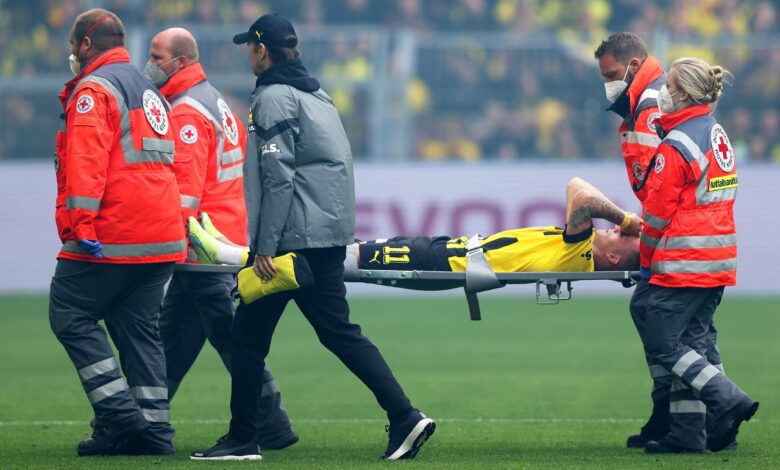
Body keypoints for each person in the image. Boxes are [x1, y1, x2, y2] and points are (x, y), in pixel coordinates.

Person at [191, 14, 435, 461]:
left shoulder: (273, 97)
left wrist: (265, 247)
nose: (248, 55)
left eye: (250, 47)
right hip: (326, 238)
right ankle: (404, 415)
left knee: (246, 339)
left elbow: (278, 177)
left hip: (290, 244)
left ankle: (243, 438)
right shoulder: (318, 95)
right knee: (340, 333)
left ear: (261, 51)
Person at [144, 28, 298, 450]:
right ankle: (145, 419)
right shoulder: (213, 100)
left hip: (202, 244)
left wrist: (171, 243)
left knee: (232, 336)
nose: (149, 64)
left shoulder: (186, 112)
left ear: (180, 61)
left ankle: (272, 421)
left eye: (156, 56)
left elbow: (186, 193)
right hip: (220, 234)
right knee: (176, 335)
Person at [48, 8, 186, 456]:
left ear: (86, 44)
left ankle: (121, 417)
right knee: (138, 330)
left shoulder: (94, 90)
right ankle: (155, 432)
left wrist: (81, 225)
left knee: (69, 311)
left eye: (74, 44)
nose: (72, 51)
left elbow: (85, 164)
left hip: (116, 231)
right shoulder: (149, 89)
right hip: (161, 235)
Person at [594, 33, 727, 449]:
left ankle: (709, 407)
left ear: (633, 66)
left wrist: (648, 248)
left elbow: (662, 188)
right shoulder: (648, 105)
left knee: (661, 325)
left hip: (679, 242)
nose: (607, 84)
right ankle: (707, 421)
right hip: (697, 241)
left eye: (612, 75)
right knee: (696, 335)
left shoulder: (654, 106)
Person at [638, 57, 757, 454]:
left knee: (663, 342)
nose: (662, 92)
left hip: (685, 259)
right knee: (696, 343)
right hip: (717, 255)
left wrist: (645, 261)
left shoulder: (678, 143)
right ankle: (694, 433)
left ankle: (728, 400)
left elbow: (656, 214)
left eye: (669, 85)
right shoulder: (715, 133)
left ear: (685, 93)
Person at [188, 177, 641, 274]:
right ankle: (234, 250)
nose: (616, 230)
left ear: (612, 256)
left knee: (340, 258)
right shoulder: (583, 244)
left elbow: (580, 193)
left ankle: (229, 254)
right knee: (343, 255)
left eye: (620, 237)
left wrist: (626, 218)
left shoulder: (581, 251)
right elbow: (577, 188)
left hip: (450, 261)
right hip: (451, 251)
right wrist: (625, 223)